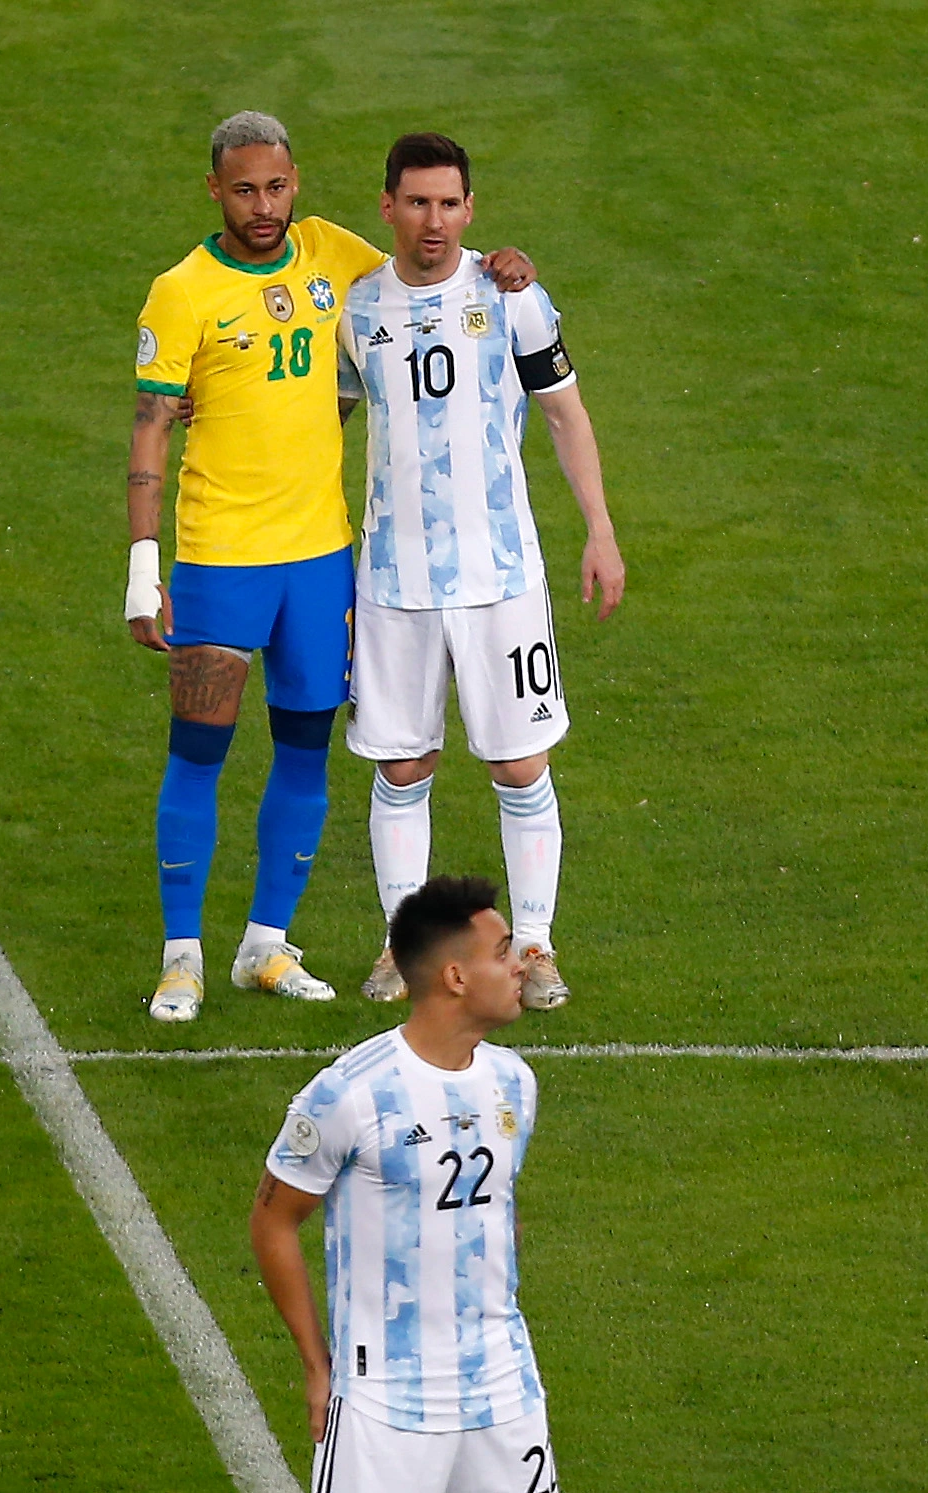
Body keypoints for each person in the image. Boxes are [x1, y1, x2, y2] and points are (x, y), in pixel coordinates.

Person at [125, 112, 536, 1023]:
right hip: (221, 554)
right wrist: (141, 565)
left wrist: (504, 263)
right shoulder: (181, 290)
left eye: (277, 187)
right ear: (214, 190)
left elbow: (423, 270)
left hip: (322, 559)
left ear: (296, 181)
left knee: (305, 754)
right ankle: (181, 955)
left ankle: (265, 946)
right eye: (244, 189)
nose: (263, 207)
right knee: (199, 753)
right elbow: (151, 422)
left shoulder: (329, 256)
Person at [335, 132, 625, 1011]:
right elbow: (314, 423)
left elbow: (566, 418)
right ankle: (405, 947)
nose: (434, 221)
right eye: (417, 202)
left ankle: (531, 946)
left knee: (520, 764)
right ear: (387, 206)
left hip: (501, 574)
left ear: (471, 208)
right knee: (403, 765)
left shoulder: (514, 300)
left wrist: (600, 529)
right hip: (391, 577)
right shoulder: (355, 313)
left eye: (449, 203)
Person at [250, 875, 559, 1492]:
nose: (523, 965)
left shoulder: (513, 1082)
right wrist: (317, 1369)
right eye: (503, 953)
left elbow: (498, 1205)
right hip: (386, 1406)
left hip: (504, 1390)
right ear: (455, 978)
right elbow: (273, 1220)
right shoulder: (350, 1093)